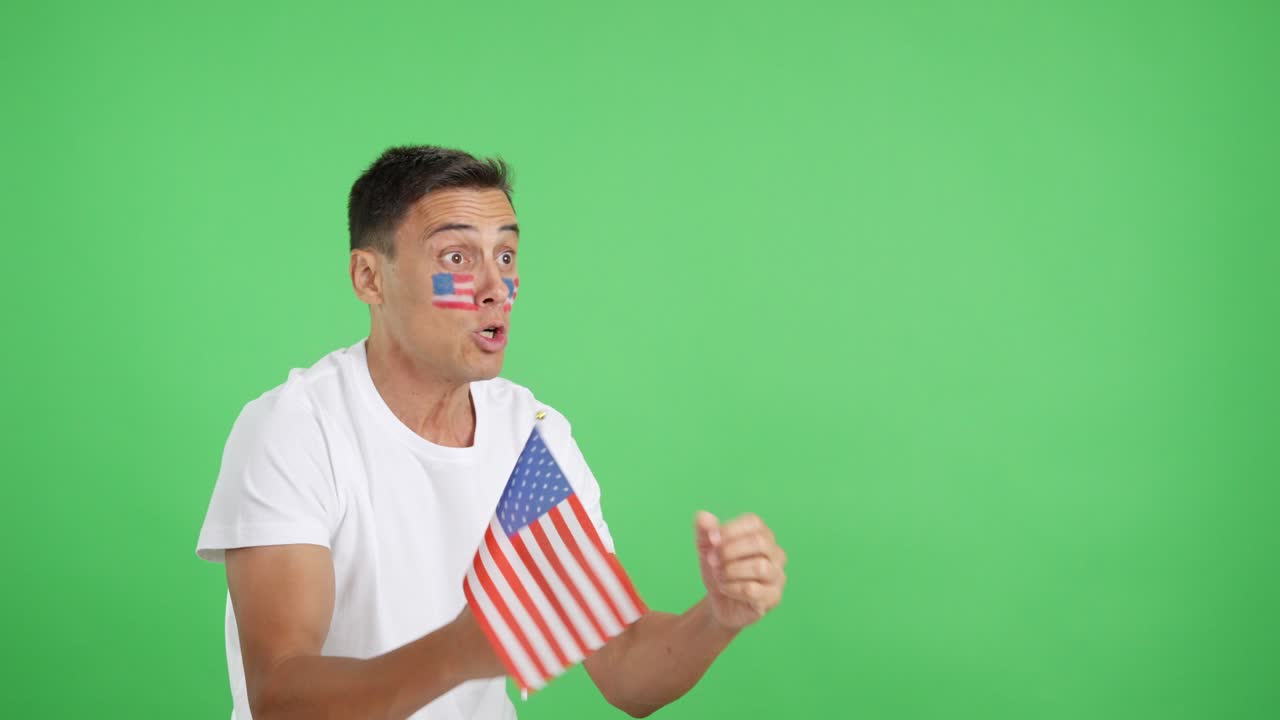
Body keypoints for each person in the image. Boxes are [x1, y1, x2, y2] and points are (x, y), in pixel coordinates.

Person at [195, 146, 789, 719]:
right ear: (369, 278)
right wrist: (461, 651)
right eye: (456, 258)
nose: (493, 288)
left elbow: (625, 669)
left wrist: (716, 618)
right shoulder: (297, 429)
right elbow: (280, 696)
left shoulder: (530, 437)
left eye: (505, 257)